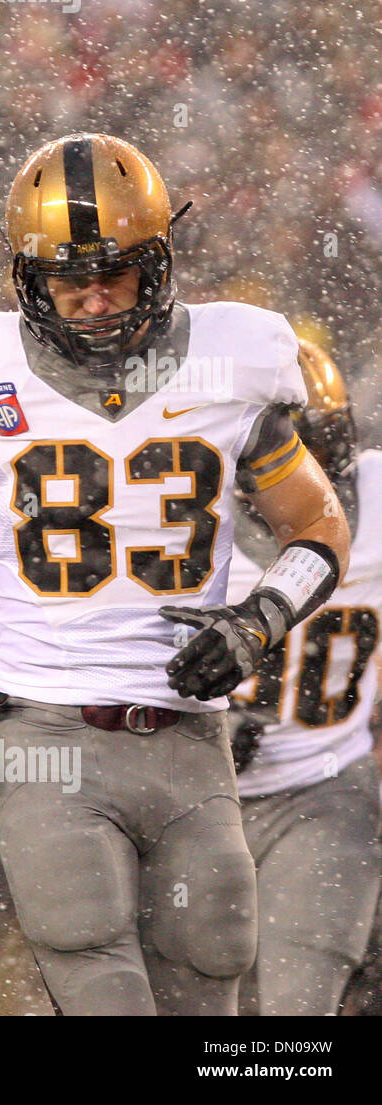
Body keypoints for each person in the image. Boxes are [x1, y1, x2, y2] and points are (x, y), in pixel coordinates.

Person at [0, 133, 351, 1016]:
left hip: (188, 735)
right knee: (93, 964)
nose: (93, 297)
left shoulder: (230, 365)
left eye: (116, 273)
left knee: (215, 971)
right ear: (28, 279)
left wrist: (258, 621)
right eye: (68, 277)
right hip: (44, 730)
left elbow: (317, 524)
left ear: (159, 262)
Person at [228, 339, 382, 1016]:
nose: (311, 473)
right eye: (291, 451)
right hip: (192, 795)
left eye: (320, 443)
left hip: (324, 786)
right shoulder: (174, 511)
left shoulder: (374, 496)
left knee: (300, 1011)